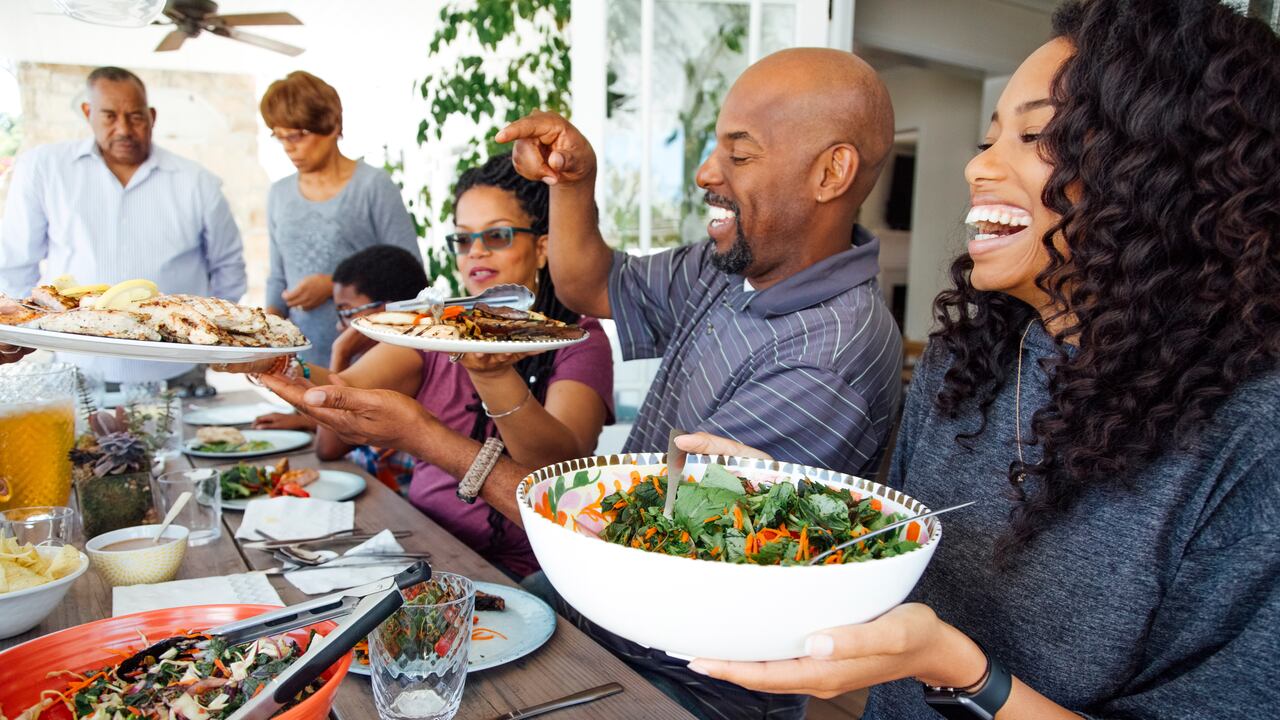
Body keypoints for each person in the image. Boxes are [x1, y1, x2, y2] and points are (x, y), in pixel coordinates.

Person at [659, 2, 1280, 718]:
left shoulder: (1252, 439)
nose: (978, 166)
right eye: (990, 139)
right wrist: (789, 505)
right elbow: (893, 560)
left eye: (1036, 135)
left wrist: (958, 669)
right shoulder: (969, 362)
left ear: (1168, 169)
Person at [258, 47, 904, 720]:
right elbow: (589, 284)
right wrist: (574, 181)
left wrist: (423, 437)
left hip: (681, 686)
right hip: (594, 618)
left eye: (740, 156)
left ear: (832, 171)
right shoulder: (732, 267)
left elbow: (636, 555)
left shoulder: (827, 358)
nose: (707, 174)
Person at [235, 153, 614, 578]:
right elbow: (344, 389)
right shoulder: (438, 325)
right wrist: (275, 361)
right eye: (464, 239)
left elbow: (555, 467)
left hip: (531, 572)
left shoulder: (576, 338)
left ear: (542, 247)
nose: (476, 253)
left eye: (498, 236)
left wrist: (491, 373)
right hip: (426, 542)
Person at [0, 66, 246, 387]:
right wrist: (16, 335)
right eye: (109, 116)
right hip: (77, 367)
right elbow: (17, 263)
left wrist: (207, 341)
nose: (123, 129)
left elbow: (229, 268)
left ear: (152, 117)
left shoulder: (197, 182)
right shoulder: (44, 169)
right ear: (88, 113)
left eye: (135, 117)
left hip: (177, 370)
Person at [260, 71, 421, 365]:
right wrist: (266, 338)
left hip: (371, 358)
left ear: (332, 124)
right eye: (279, 137)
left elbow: (409, 272)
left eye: (296, 135)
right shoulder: (279, 194)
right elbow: (278, 277)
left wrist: (331, 285)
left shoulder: (372, 185)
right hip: (300, 358)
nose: (288, 147)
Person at [253, 244, 428, 490]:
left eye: (347, 312)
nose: (340, 326)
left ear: (387, 310)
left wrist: (341, 353)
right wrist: (306, 422)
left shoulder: (407, 353)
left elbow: (328, 447)